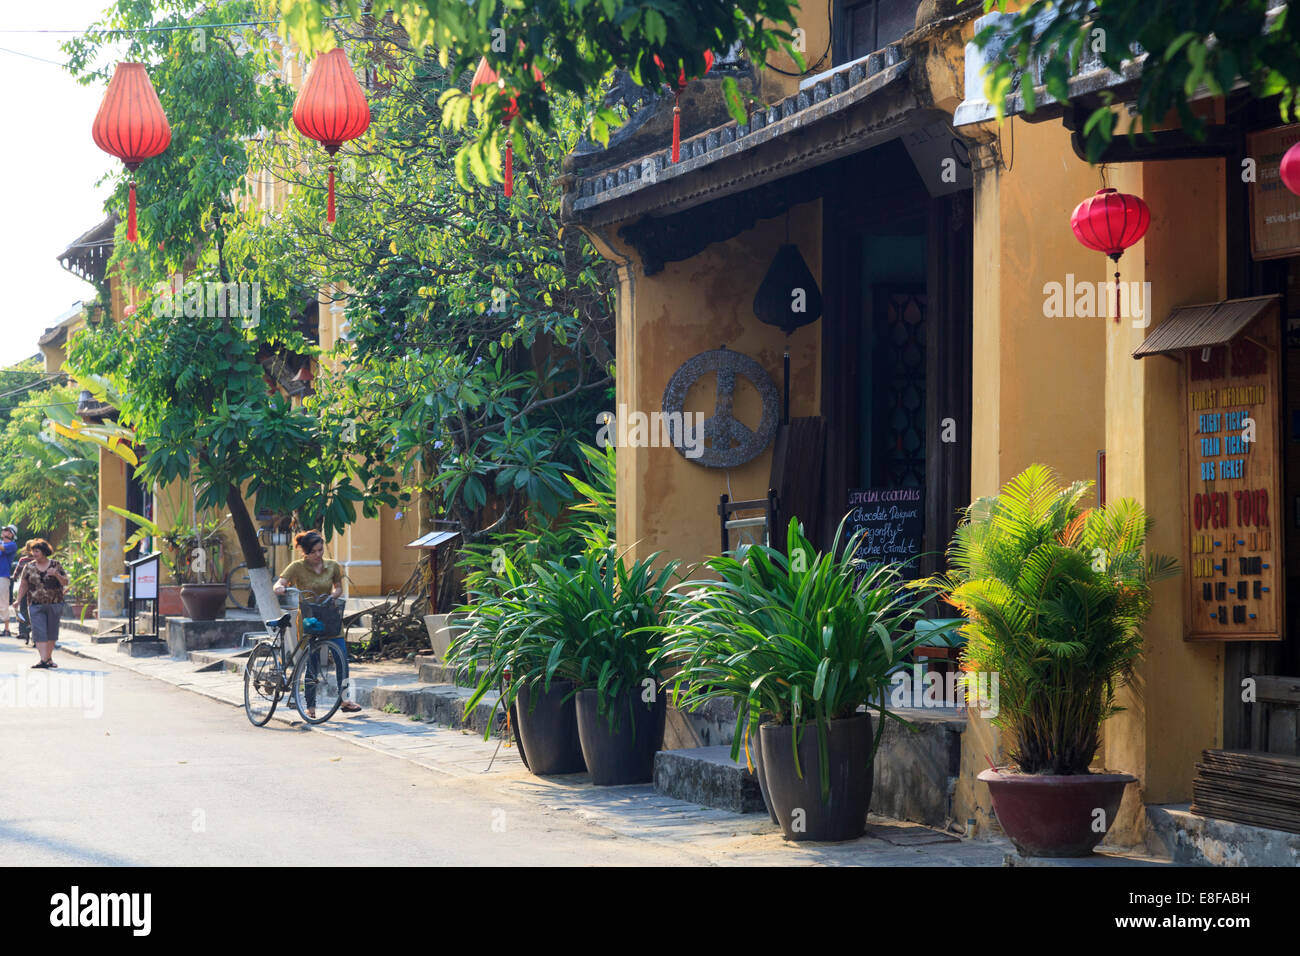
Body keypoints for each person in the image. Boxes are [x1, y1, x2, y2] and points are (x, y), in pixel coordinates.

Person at [273, 530, 360, 713]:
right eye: (313, 552)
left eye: (320, 550)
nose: (318, 555)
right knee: (311, 662)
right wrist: (280, 587)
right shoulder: (296, 567)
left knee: (341, 658)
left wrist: (333, 595)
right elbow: (280, 582)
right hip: (309, 619)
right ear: (305, 552)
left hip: (330, 616)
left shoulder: (332, 566)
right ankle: (310, 707)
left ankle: (345, 700)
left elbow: (338, 589)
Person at [15, 539, 69, 669]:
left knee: (52, 632)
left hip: (55, 603)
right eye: (32, 551)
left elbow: (65, 582)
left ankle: (47, 659)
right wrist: (18, 600)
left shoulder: (56, 565)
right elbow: (23, 585)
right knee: (39, 632)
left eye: (36, 551)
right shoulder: (29, 567)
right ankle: (44, 660)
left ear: (44, 552)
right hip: (35, 604)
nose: (33, 553)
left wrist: (56, 574)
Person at [0, 525, 18, 636]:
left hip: (2, 576)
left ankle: (7, 629)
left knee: (3, 602)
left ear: (11, 534)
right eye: (3, 530)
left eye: (6, 530)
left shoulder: (12, 545)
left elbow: (2, 548)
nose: (3, 531)